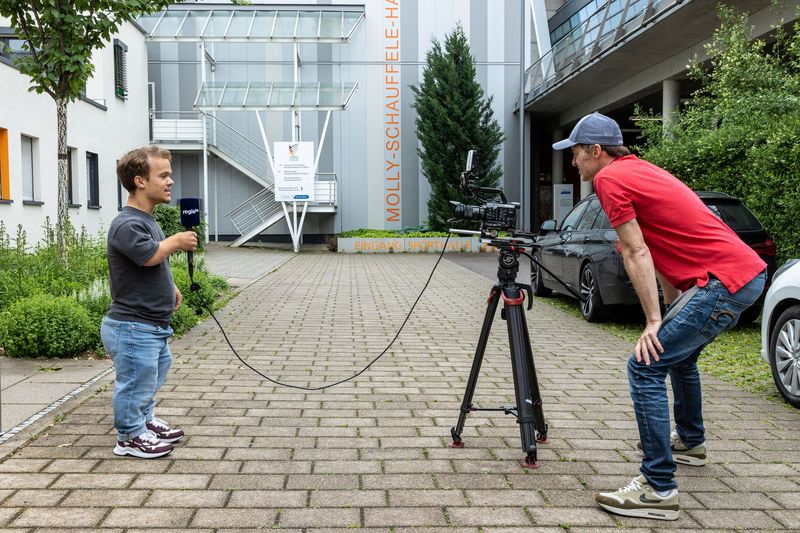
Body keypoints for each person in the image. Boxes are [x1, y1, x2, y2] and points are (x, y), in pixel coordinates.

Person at [553, 113, 766, 520]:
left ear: (596, 151)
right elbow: (661, 254)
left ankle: (658, 488)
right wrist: (667, 313)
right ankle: (690, 442)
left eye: (576, 152)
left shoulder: (610, 179)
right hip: (741, 276)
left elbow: (637, 253)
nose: (573, 161)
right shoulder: (639, 171)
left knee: (644, 366)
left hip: (722, 281)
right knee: (678, 357)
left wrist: (653, 323)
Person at [101, 146, 198, 459]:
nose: (170, 181)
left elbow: (155, 262)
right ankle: (129, 437)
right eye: (163, 175)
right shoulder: (126, 224)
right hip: (132, 326)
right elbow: (148, 255)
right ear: (140, 181)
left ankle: (143, 419)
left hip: (151, 326)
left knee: (150, 376)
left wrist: (171, 286)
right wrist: (176, 241)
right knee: (135, 381)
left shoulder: (147, 220)